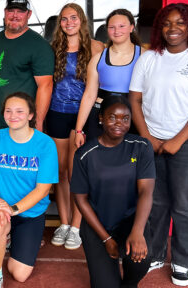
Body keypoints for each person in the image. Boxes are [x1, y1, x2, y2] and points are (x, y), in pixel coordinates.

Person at [129, 3, 188, 286]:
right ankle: (156, 252)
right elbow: (134, 99)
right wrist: (148, 137)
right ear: (160, 28)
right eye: (167, 23)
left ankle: (183, 261)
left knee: (183, 201)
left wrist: (177, 141)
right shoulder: (149, 58)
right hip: (152, 138)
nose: (173, 28)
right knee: (155, 200)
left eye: (180, 23)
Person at [71, 95, 155, 288]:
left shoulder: (141, 147)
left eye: (125, 118)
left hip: (129, 221)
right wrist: (107, 239)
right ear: (101, 118)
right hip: (98, 225)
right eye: (112, 117)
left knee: (141, 258)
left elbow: (146, 192)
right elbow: (81, 200)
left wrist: (137, 232)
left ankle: (129, 284)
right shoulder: (85, 154)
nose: (119, 123)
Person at [0, 92, 58, 287]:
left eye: (20, 111)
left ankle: (16, 239)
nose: (13, 115)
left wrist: (11, 209)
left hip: (30, 213)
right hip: (1, 207)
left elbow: (42, 190)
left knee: (19, 274)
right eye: (9, 111)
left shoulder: (45, 144)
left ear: (31, 115)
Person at [46, 3, 103, 250]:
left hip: (82, 116)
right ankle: (65, 222)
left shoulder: (97, 47)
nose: (69, 22)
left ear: (82, 20)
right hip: (57, 114)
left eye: (74, 17)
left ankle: (78, 227)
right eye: (64, 19)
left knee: (76, 172)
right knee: (60, 173)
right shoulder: (53, 48)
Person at [74, 8, 144, 148]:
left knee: (129, 164)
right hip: (101, 117)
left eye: (121, 26)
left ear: (131, 27)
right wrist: (79, 130)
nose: (116, 31)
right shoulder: (98, 58)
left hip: (133, 117)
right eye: (112, 27)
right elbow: (89, 95)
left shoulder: (145, 56)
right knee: (98, 163)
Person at [0, 0, 54, 131]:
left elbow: (45, 86)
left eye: (20, 11)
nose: (15, 15)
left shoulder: (39, 45)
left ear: (28, 14)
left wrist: (38, 122)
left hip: (22, 123)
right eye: (11, 10)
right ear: (5, 12)